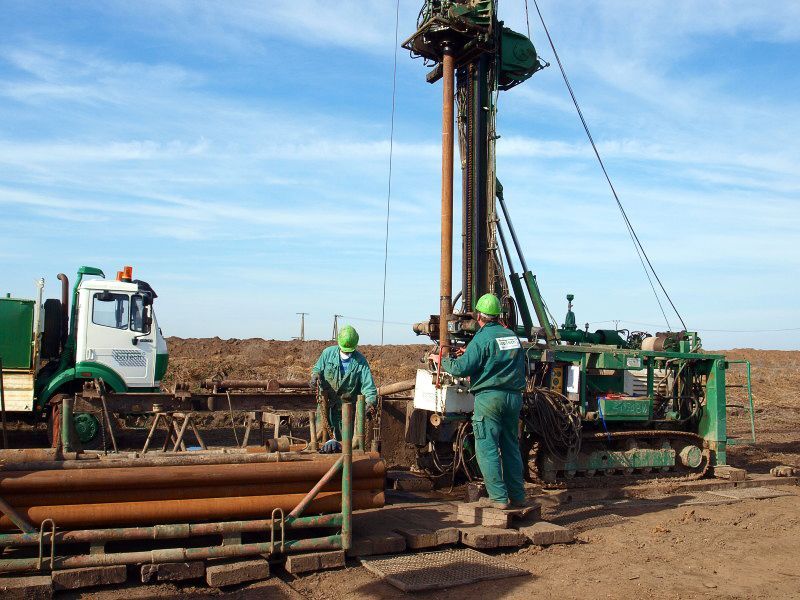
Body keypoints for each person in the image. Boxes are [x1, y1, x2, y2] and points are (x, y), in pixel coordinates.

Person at [430, 293, 527, 509]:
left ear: (479, 317)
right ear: (498, 315)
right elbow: (502, 358)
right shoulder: (512, 336)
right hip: (514, 397)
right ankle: (518, 497)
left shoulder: (482, 338)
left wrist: (442, 360)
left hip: (490, 399)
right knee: (511, 447)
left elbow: (460, 368)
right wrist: (472, 353)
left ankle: (498, 499)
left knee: (487, 447)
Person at [310, 325, 377, 453]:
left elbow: (369, 387)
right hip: (326, 405)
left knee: (346, 445)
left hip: (347, 409)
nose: (346, 352)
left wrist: (370, 401)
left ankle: (344, 463)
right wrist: (315, 376)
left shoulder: (360, 362)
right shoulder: (328, 354)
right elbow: (317, 368)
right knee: (320, 438)